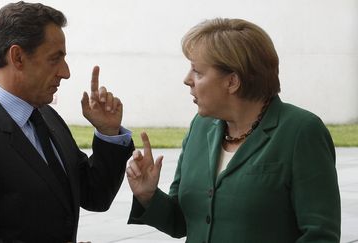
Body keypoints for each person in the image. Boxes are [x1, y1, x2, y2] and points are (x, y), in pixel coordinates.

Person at [126, 18, 340, 242]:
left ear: (232, 81)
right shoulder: (200, 127)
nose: (187, 80)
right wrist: (147, 194)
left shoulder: (301, 131)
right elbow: (182, 222)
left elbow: (320, 235)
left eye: (198, 72)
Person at [0, 2, 134, 242]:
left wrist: (108, 133)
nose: (66, 72)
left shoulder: (47, 116)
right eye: (55, 59)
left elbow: (94, 195)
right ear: (18, 57)